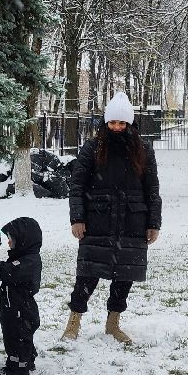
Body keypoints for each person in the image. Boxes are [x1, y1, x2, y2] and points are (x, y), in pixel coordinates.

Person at [64, 93, 162, 344]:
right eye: (112, 123)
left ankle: (113, 323)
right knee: (87, 274)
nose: (117, 128)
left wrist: (153, 222)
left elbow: (152, 188)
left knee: (124, 275)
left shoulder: (143, 150)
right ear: (105, 122)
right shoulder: (92, 148)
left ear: (130, 123)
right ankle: (73, 321)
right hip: (98, 221)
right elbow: (77, 186)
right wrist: (77, 218)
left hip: (132, 222)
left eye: (122, 123)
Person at [0, 217, 42, 375]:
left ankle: (19, 366)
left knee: (18, 336)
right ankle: (25, 359)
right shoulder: (23, 258)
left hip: (20, 309)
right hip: (14, 307)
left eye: (11, 239)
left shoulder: (29, 261)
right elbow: (8, 271)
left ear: (24, 240)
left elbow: (9, 271)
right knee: (14, 335)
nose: (8, 243)